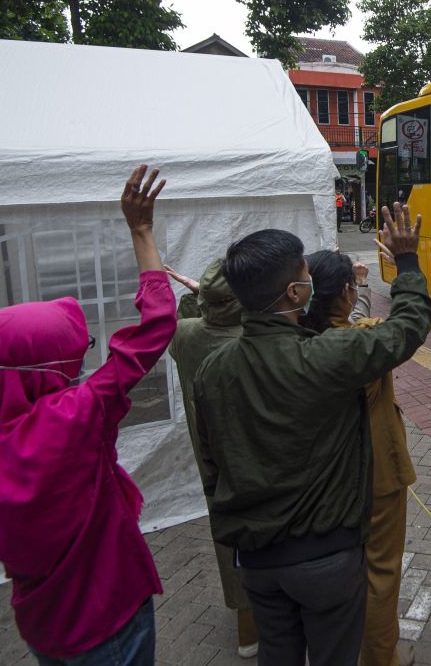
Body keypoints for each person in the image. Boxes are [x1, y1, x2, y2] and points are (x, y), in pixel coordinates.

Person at [0, 166, 175, 665]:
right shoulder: (75, 415)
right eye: (79, 348)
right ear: (46, 367)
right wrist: (141, 232)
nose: (85, 356)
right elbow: (157, 327)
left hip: (44, 619)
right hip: (107, 614)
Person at [191, 203, 431, 666]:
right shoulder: (324, 357)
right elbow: (409, 326)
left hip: (257, 560)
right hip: (326, 558)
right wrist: (406, 262)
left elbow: (211, 464)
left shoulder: (212, 371)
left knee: (278, 654)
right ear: (293, 292)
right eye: (305, 276)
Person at [301, 254, 417, 666]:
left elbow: (349, 322)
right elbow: (415, 323)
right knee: (380, 575)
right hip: (377, 480)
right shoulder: (362, 343)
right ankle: (381, 658)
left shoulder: (292, 343)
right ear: (345, 293)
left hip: (321, 482)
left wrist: (359, 289)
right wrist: (407, 265)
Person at [164, 259, 258, 659]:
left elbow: (178, 324)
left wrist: (196, 301)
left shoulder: (186, 337)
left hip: (215, 466)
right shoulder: (260, 336)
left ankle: (248, 631)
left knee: (232, 545)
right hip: (266, 459)